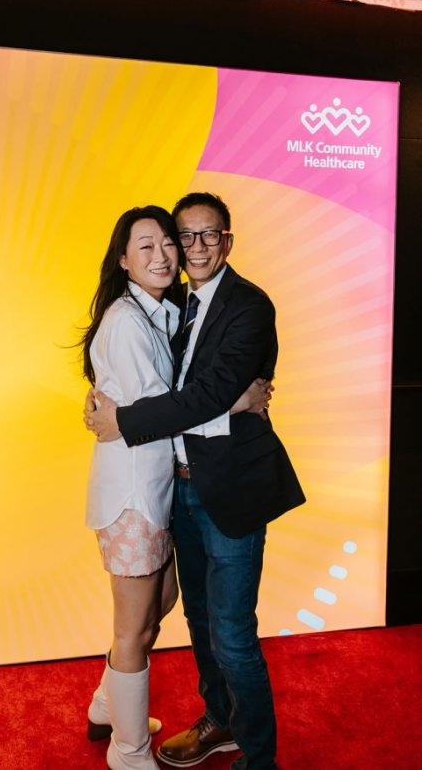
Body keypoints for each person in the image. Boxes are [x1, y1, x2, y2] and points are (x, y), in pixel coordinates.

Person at [86, 192, 306, 770]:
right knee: (200, 622)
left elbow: (199, 395)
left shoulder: (249, 305)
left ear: (227, 240)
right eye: (185, 236)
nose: (194, 247)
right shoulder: (171, 303)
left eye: (209, 235)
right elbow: (162, 385)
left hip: (229, 489)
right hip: (177, 487)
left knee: (233, 634)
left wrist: (123, 421)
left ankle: (258, 759)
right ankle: (221, 722)